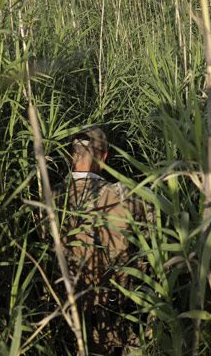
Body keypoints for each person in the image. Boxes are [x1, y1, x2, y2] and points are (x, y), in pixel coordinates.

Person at [61, 126, 146, 356]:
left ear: (71, 156)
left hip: (64, 316)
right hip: (111, 315)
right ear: (104, 157)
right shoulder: (123, 194)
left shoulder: (51, 196)